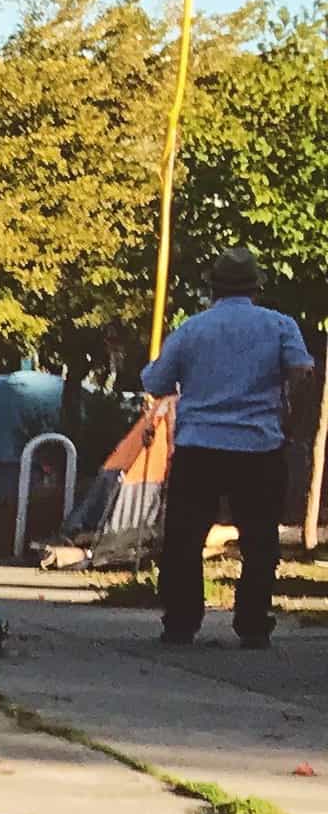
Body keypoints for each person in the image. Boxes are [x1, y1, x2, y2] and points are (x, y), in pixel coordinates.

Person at [141, 247, 319, 649]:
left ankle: (182, 622)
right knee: (259, 540)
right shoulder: (279, 325)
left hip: (199, 446)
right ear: (257, 286)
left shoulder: (192, 329)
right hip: (259, 445)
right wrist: (283, 403)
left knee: (185, 538)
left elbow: (156, 382)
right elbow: (302, 369)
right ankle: (253, 622)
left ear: (212, 287)